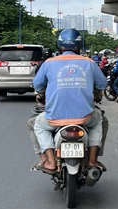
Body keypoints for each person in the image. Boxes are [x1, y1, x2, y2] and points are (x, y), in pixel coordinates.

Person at [32, 28, 107, 173]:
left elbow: (37, 85)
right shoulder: (89, 63)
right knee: (100, 120)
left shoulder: (49, 63)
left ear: (59, 46)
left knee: (36, 125)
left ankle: (49, 160)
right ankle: (92, 160)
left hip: (54, 117)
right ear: (79, 46)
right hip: (84, 118)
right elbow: (102, 84)